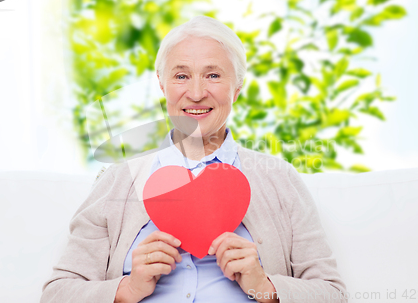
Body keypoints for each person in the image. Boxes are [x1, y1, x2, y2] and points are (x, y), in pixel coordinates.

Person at [40, 16, 347, 303]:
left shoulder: (280, 179)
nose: (197, 93)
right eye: (181, 76)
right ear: (162, 85)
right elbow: (57, 293)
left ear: (237, 88)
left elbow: (333, 293)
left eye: (213, 75)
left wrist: (264, 286)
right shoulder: (118, 180)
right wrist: (128, 289)